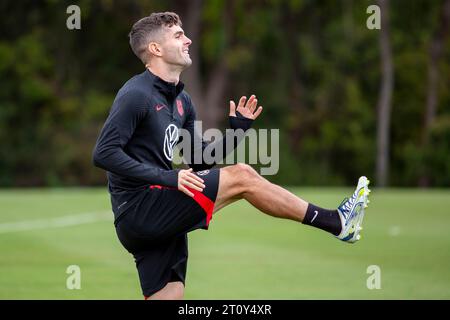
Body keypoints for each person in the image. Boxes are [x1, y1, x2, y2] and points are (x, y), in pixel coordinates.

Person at [92, 12, 371, 300]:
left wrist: (235, 133)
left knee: (170, 295)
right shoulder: (136, 94)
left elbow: (199, 161)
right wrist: (170, 177)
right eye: (178, 35)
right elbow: (104, 153)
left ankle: (337, 222)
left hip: (157, 210)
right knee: (242, 175)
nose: (188, 39)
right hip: (140, 209)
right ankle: (335, 221)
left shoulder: (182, 101)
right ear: (155, 49)